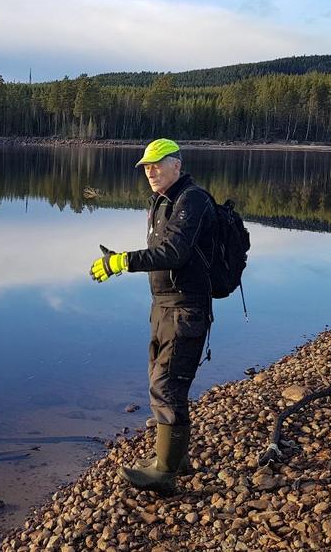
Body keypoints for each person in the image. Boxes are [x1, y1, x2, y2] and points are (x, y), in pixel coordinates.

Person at [89, 138, 216, 494]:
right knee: (160, 377)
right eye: (146, 165)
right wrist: (120, 260)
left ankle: (165, 474)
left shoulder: (192, 199)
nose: (150, 170)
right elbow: (162, 253)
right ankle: (174, 459)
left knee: (167, 384)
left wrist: (122, 262)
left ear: (177, 164)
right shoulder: (163, 201)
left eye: (158, 163)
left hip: (185, 308)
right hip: (164, 306)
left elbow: (174, 252)